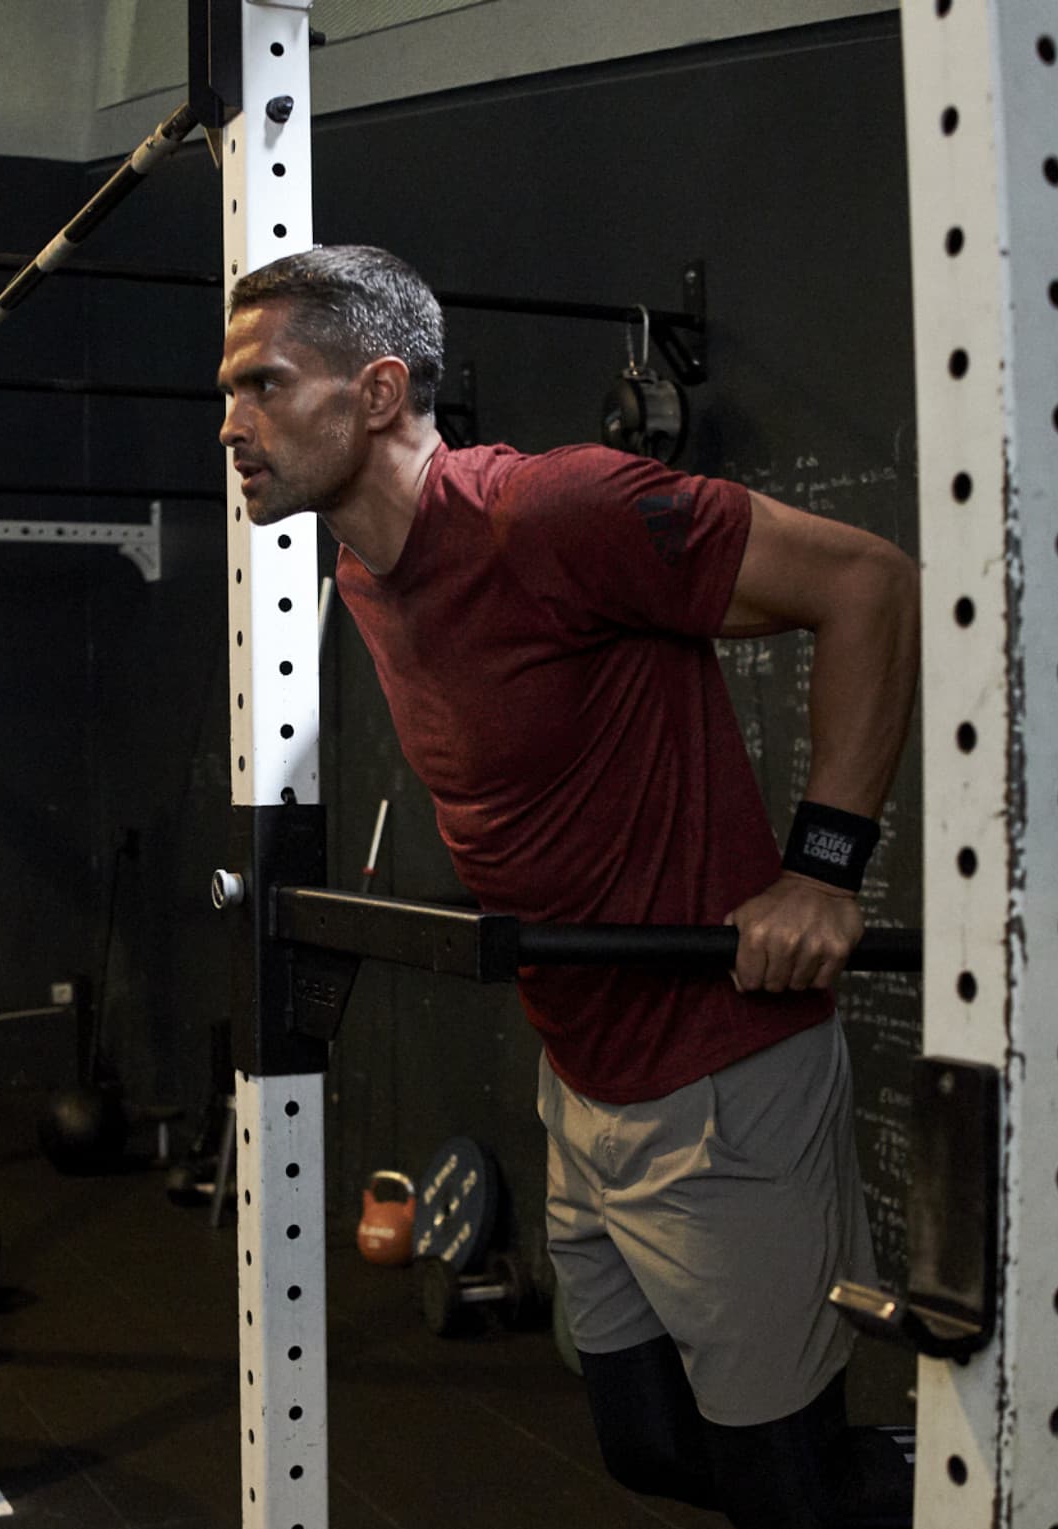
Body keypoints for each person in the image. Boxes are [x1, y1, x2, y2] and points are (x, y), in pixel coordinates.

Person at [217, 246, 919, 1529]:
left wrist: (821, 866)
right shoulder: (365, 571)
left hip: (720, 1074)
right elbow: (702, 615)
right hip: (582, 1071)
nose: (231, 424)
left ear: (377, 392)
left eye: (262, 384)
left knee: (785, 1483)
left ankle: (985, 1486)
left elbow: (865, 581)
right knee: (646, 1446)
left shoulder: (546, 510)